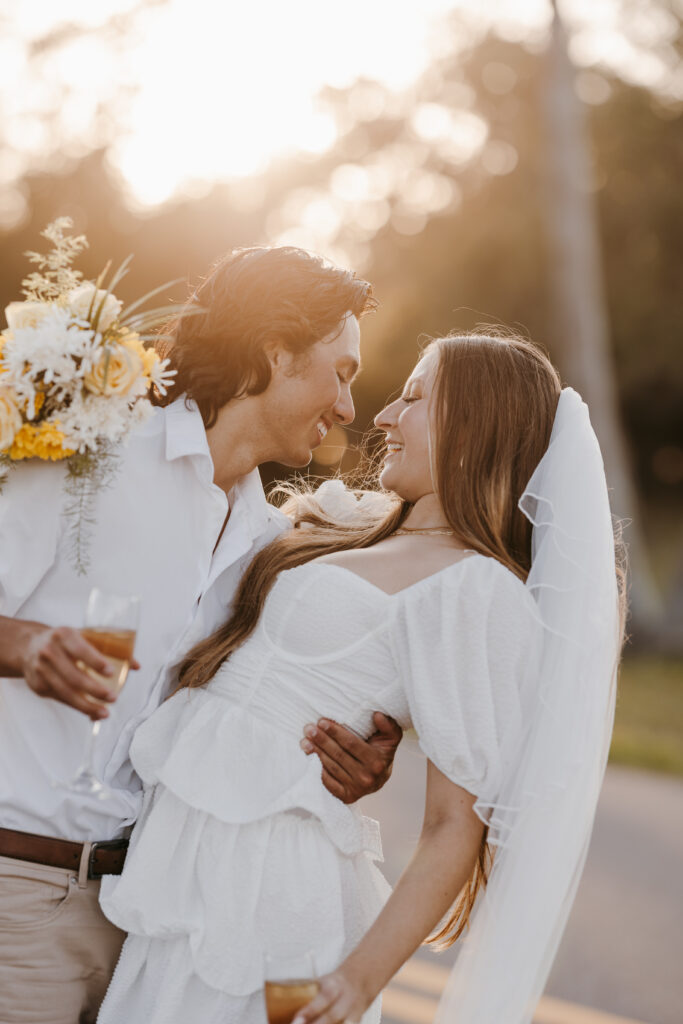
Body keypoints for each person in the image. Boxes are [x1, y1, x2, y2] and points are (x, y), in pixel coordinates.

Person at [95, 332, 624, 1024]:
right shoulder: (365, 531)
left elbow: (451, 826)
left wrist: (355, 980)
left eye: (413, 397)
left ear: (472, 426)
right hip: (195, 871)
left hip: (277, 903)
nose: (380, 418)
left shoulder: (475, 590)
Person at [0, 246, 402, 1024]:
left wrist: (347, 759)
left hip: (147, 919)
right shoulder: (91, 446)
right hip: (17, 889)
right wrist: (24, 646)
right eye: (340, 371)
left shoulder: (267, 541)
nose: (349, 407)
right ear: (275, 350)